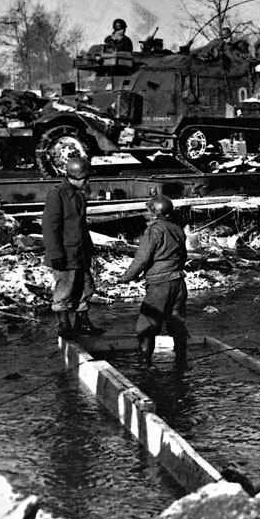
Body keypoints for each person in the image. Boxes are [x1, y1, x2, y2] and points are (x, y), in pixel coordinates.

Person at [118, 195, 188, 367]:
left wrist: (126, 278)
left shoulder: (154, 230)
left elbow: (142, 259)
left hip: (160, 285)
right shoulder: (177, 229)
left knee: (147, 326)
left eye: (148, 210)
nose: (146, 213)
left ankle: (144, 364)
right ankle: (181, 362)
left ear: (155, 213)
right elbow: (183, 256)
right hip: (178, 282)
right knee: (177, 324)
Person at [42, 156, 104, 339]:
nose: (87, 182)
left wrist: (89, 248)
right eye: (86, 178)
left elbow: (80, 226)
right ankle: (64, 325)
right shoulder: (58, 194)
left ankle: (82, 323)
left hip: (80, 252)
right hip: (65, 253)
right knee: (65, 290)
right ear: (79, 177)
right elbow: (50, 227)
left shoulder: (77, 194)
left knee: (85, 287)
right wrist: (55, 254)